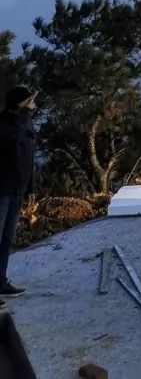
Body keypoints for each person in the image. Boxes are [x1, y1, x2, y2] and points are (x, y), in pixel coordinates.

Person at [0, 86, 36, 303]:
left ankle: (1, 282)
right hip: (2, 188)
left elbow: (29, 152)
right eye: (28, 101)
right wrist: (23, 115)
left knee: (7, 238)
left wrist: (30, 187)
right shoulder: (4, 122)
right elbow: (11, 138)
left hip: (18, 190)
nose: (32, 105)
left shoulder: (26, 121)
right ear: (20, 103)